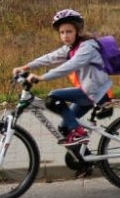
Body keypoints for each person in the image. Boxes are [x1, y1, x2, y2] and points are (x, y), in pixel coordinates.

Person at [12, 9, 113, 146]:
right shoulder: (71, 48)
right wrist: (26, 67)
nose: (65, 36)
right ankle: (83, 157)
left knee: (53, 97)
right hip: (87, 91)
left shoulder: (87, 48)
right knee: (65, 127)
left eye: (69, 31)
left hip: (96, 92)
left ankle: (78, 132)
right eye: (62, 32)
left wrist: (42, 77)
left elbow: (70, 66)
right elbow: (50, 58)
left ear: (78, 31)